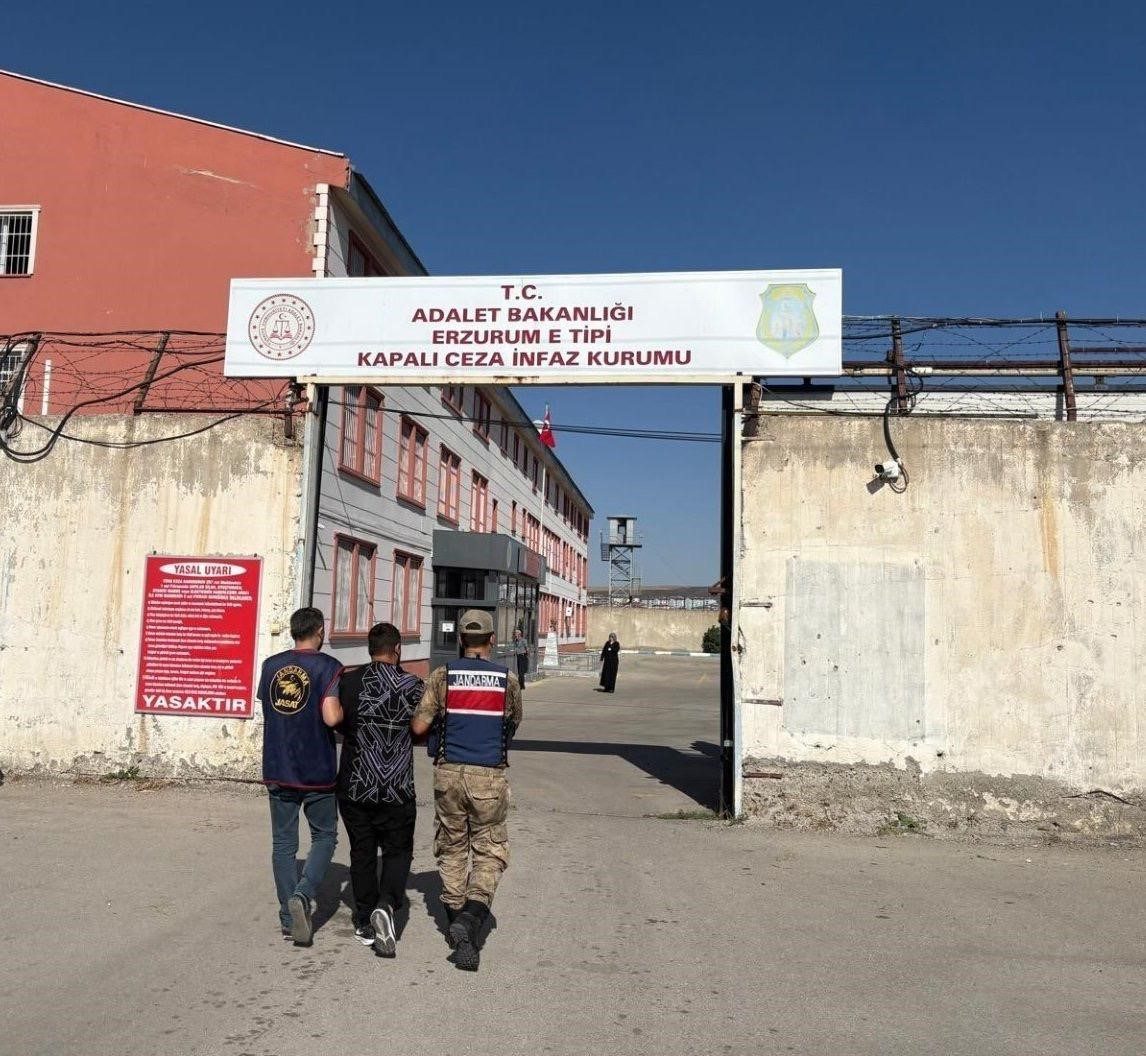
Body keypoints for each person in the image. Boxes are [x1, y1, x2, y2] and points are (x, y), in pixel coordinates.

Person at [410, 609, 522, 972]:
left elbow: (419, 725)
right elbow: (512, 723)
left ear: (460, 639)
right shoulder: (508, 680)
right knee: (489, 851)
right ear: (492, 639)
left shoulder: (443, 677)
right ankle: (471, 920)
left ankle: (459, 928)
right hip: (488, 775)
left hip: (449, 774)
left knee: (452, 847)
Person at [336, 622, 425, 957]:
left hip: (356, 783)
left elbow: (341, 724)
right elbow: (423, 726)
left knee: (361, 851)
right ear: (398, 649)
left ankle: (363, 918)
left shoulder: (350, 681)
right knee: (398, 851)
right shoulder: (413, 685)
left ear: (369, 649)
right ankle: (386, 906)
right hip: (397, 787)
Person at [256, 607, 343, 947]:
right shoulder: (329, 667)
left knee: (283, 845)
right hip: (316, 769)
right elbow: (331, 717)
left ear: (294, 631)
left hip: (278, 765)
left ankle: (287, 919)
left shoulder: (270, 666)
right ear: (319, 631)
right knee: (325, 836)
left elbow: (268, 706)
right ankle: (304, 895)